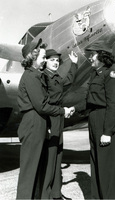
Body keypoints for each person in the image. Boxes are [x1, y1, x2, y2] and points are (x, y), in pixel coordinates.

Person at [16, 38, 74, 200]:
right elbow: (41, 105)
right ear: (33, 58)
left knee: (36, 168)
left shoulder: (36, 75)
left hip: (39, 123)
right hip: (33, 123)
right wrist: (62, 111)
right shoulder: (31, 77)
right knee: (29, 171)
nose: (44, 60)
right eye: (42, 57)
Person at [85, 44, 115, 199]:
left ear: (102, 56)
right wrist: (72, 108)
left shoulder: (111, 75)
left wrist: (107, 132)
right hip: (94, 119)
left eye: (92, 55)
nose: (89, 58)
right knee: (96, 165)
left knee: (107, 169)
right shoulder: (95, 74)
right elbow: (90, 100)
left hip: (105, 120)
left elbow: (114, 104)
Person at [41, 49, 78, 200]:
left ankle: (56, 194)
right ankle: (46, 195)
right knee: (50, 158)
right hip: (50, 118)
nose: (56, 63)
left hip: (58, 118)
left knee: (58, 155)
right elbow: (42, 103)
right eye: (52, 60)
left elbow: (68, 80)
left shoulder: (55, 77)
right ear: (45, 61)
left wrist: (74, 64)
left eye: (57, 60)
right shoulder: (43, 77)